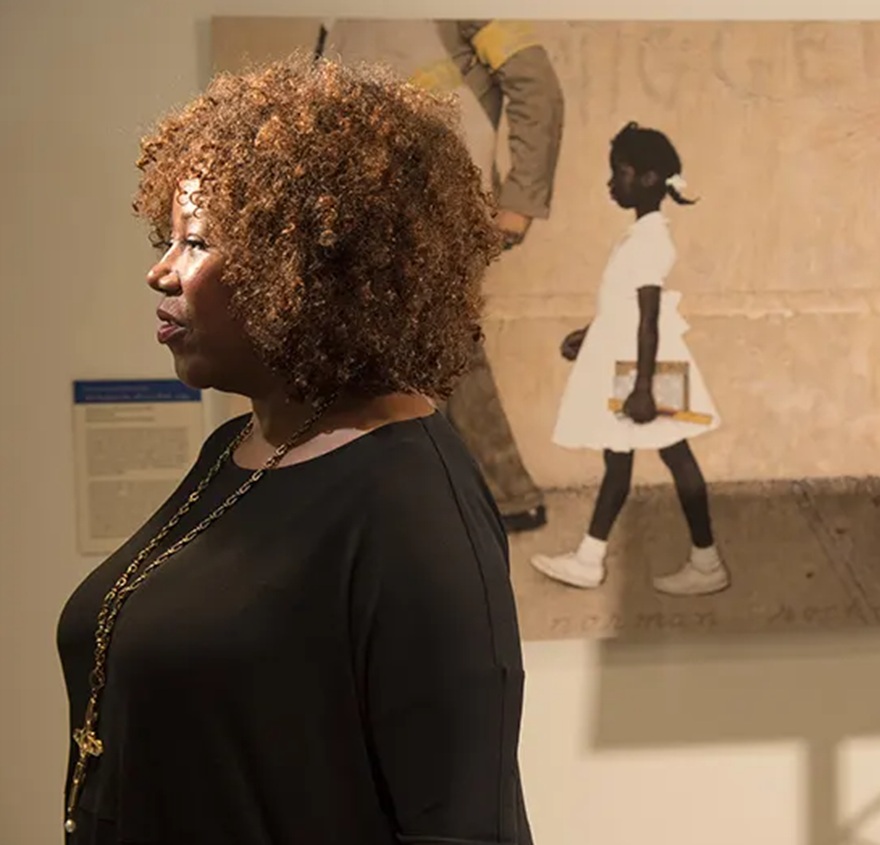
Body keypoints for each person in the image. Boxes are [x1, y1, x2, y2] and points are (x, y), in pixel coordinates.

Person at [55, 56, 535, 843]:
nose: (161, 272)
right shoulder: (236, 451)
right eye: (167, 240)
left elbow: (462, 821)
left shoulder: (412, 504)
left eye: (196, 242)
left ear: (312, 267)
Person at [319, 17, 566, 533]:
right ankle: (491, 496)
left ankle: (497, 496)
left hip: (439, 202)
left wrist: (520, 200)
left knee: (436, 345)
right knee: (418, 349)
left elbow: (536, 85)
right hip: (365, 206)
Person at [529, 122, 729, 597]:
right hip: (634, 363)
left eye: (619, 172)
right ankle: (590, 558)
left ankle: (705, 562)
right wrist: (590, 334)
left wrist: (642, 388)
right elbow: (622, 308)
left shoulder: (650, 240)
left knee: (673, 456)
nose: (611, 182)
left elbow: (648, 319)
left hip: (645, 368)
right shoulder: (640, 235)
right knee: (621, 459)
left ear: (648, 178)